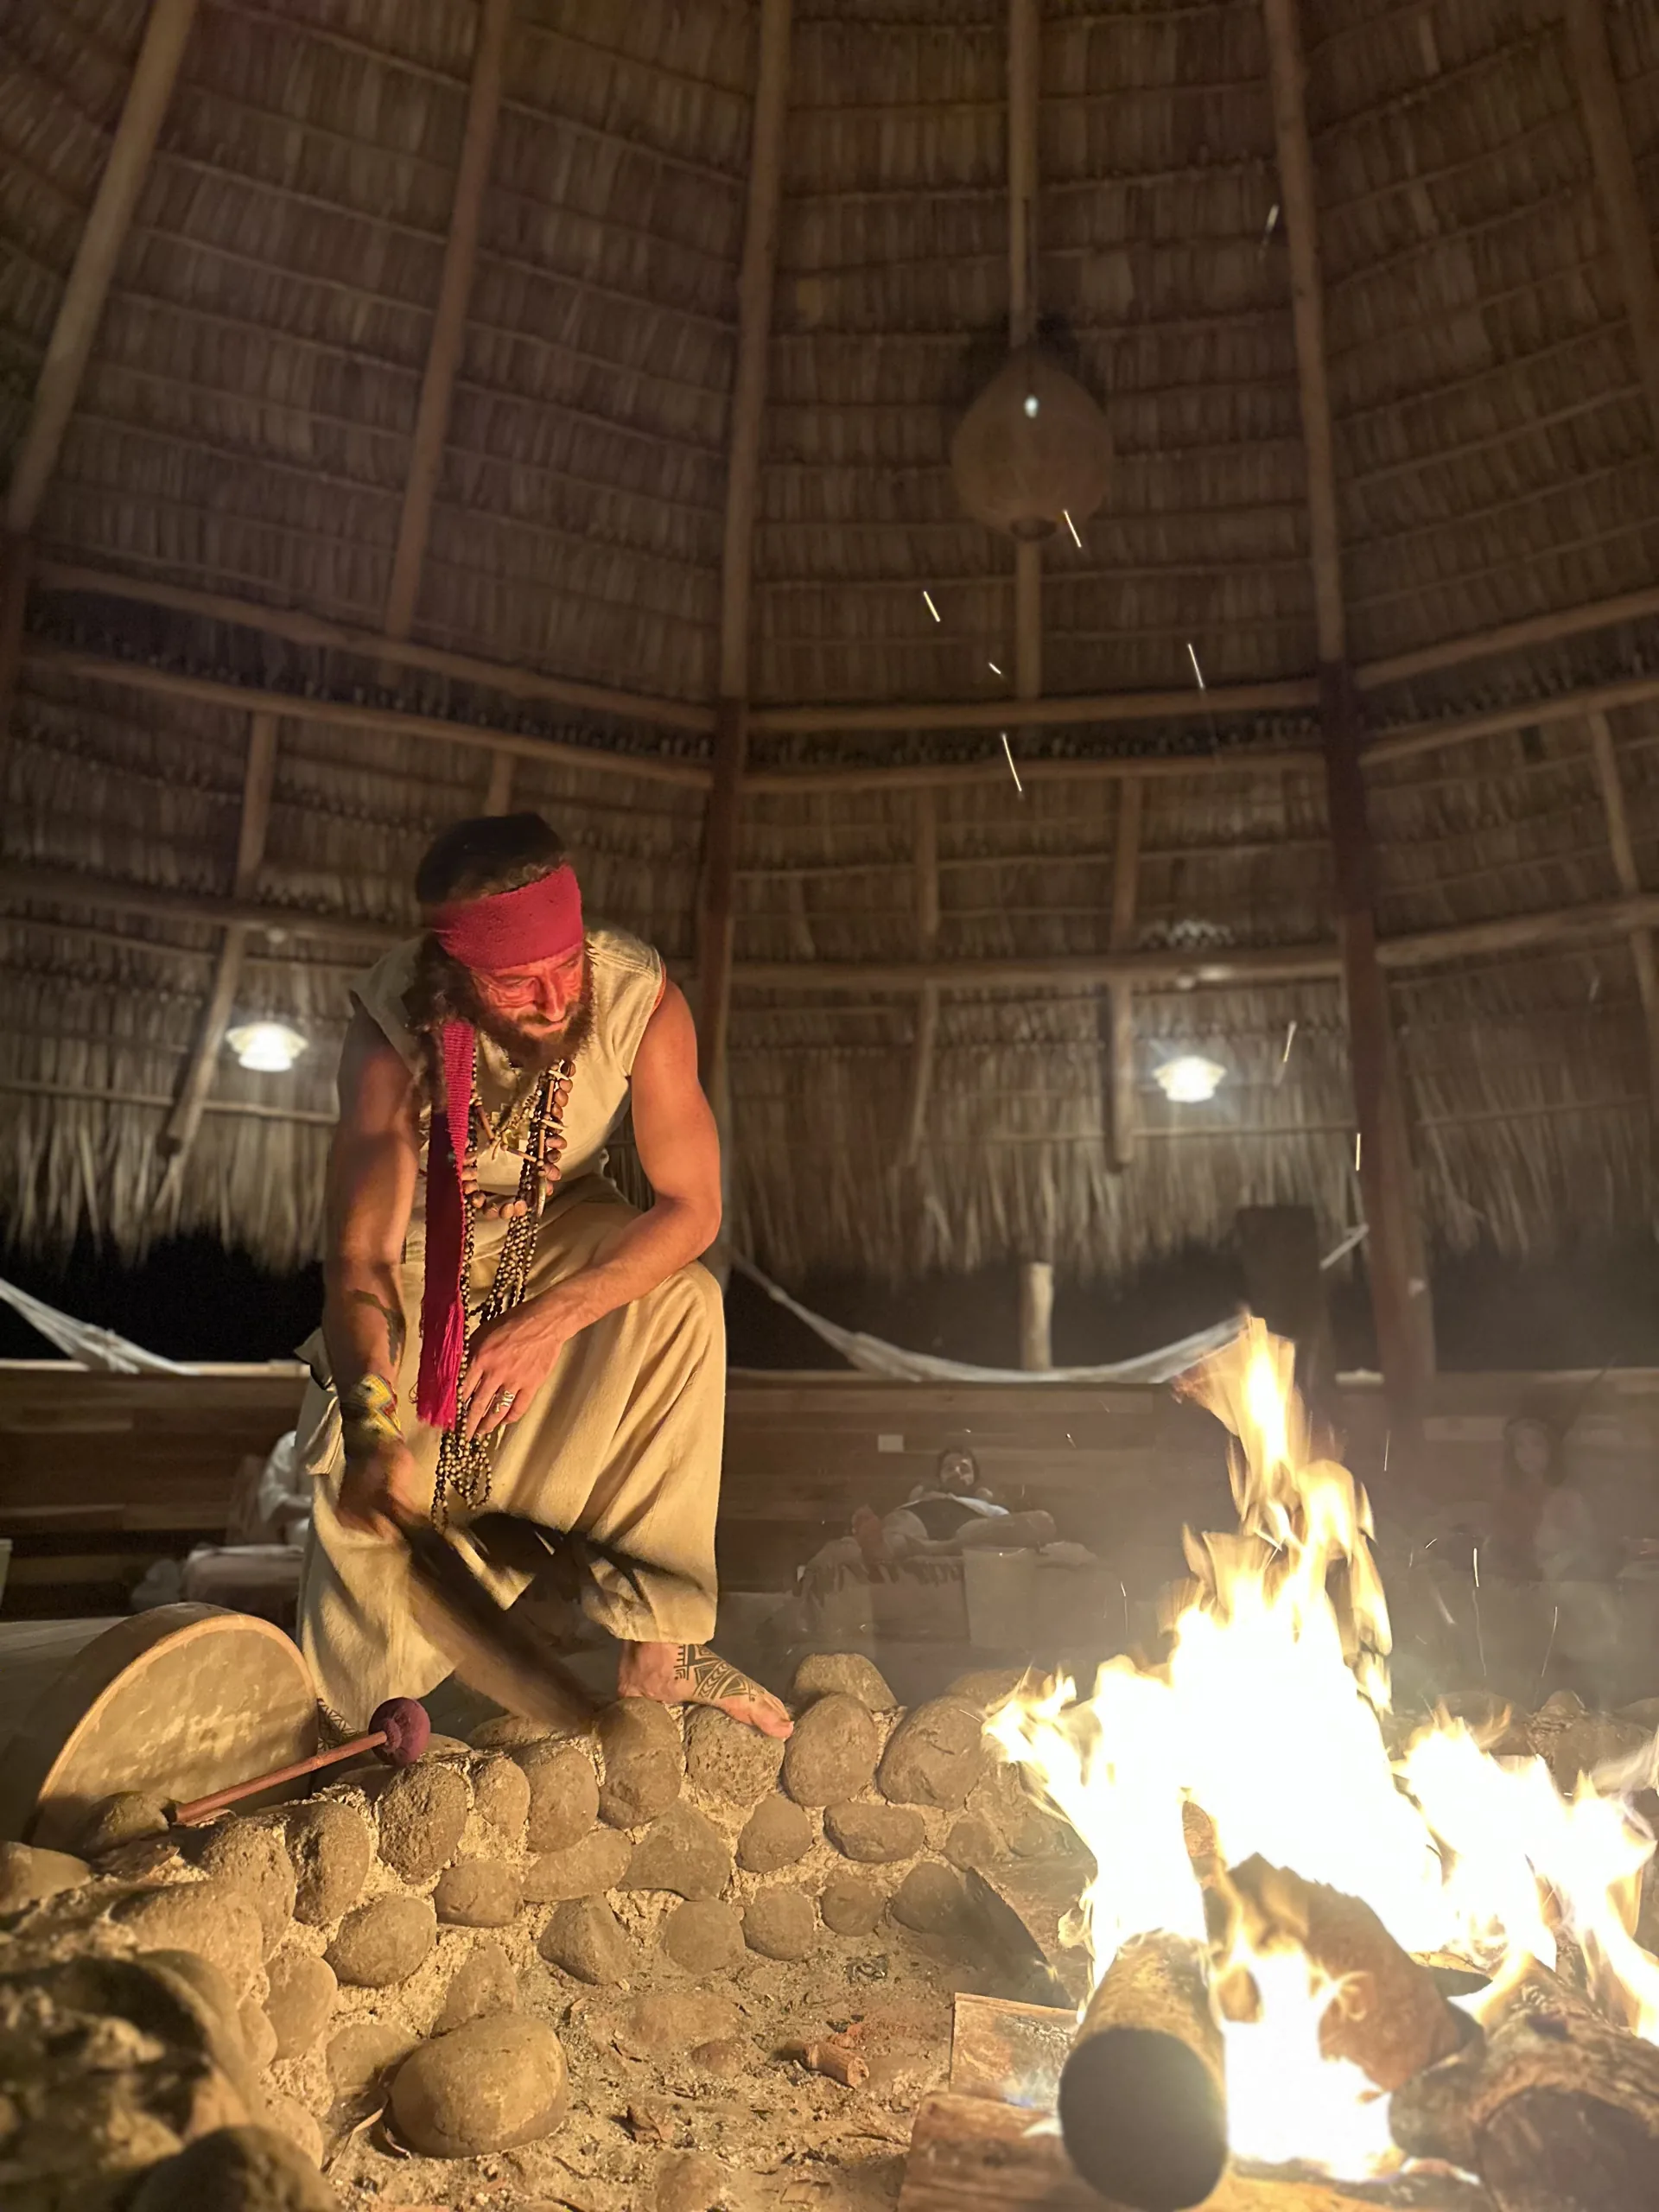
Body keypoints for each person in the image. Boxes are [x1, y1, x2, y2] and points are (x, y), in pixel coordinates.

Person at [295, 811, 791, 1740]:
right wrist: (370, 1423)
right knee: (385, 1525)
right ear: (457, 972)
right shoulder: (394, 1024)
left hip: (561, 1223)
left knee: (684, 1301)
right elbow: (361, 1258)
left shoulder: (641, 1000)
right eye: (517, 982)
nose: (557, 999)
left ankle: (662, 1649)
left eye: (565, 966)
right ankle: (351, 1720)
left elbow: (693, 1208)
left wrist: (549, 1321)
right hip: (424, 1254)